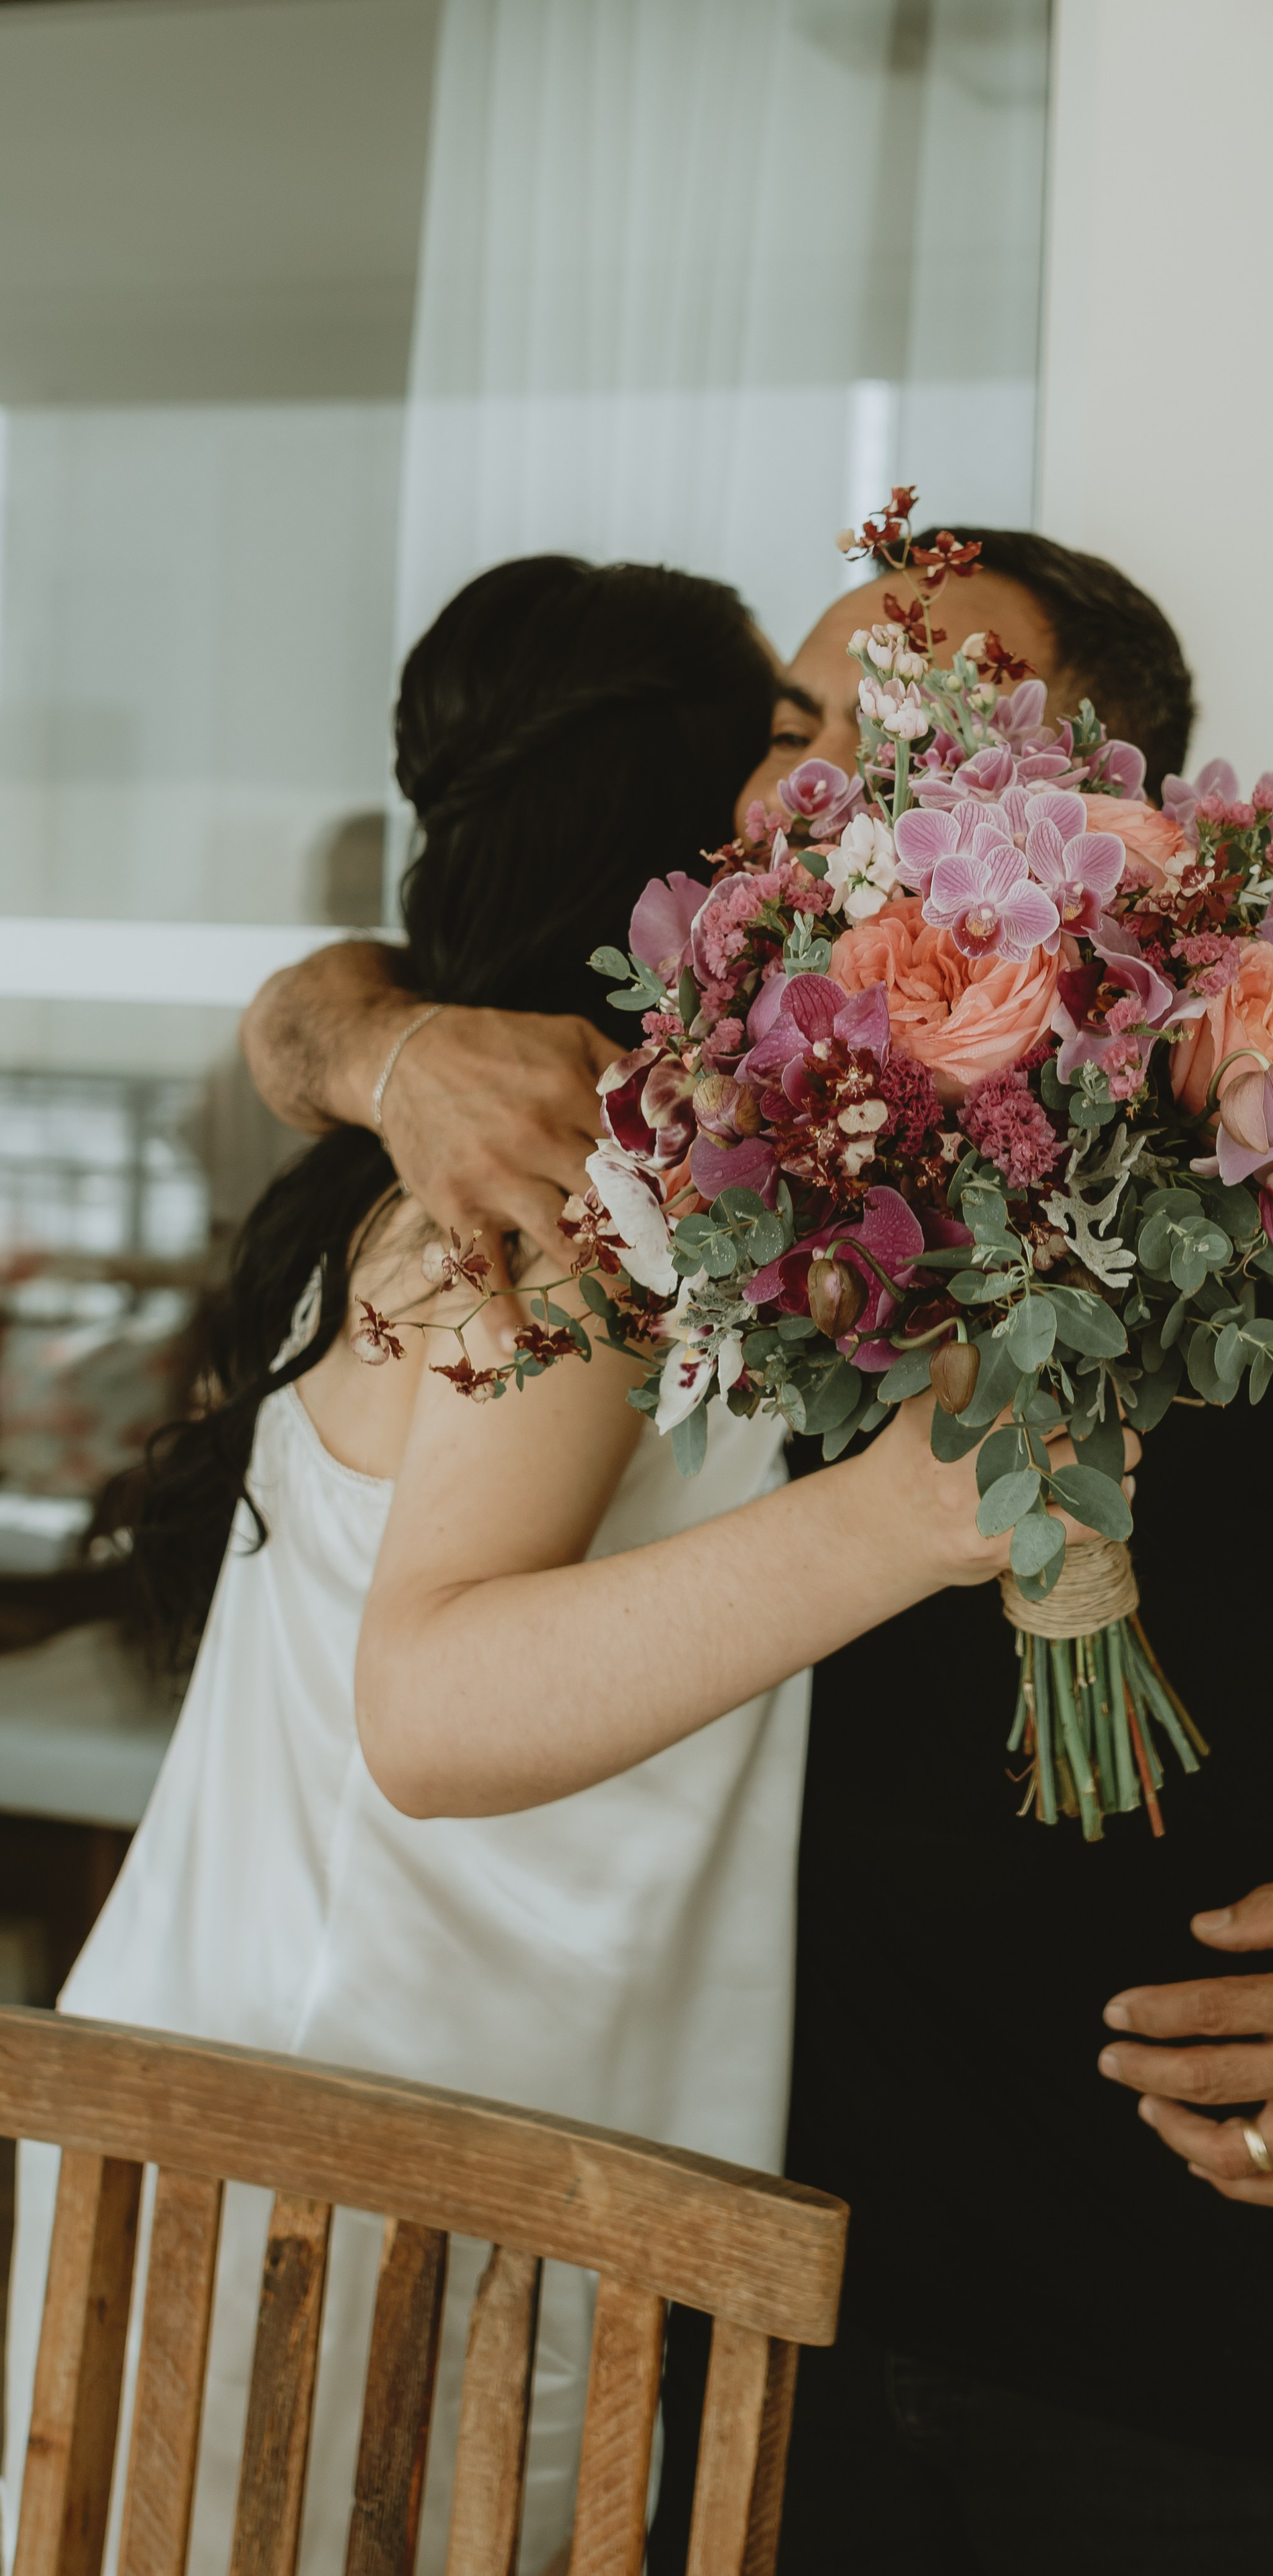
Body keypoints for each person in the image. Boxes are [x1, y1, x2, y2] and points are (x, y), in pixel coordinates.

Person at [236, 530, 1273, 2574]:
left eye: (907, 734)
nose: (812, 787)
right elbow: (340, 1006)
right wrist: (369, 1043)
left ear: (1104, 815)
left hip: (1195, 2371)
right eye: (794, 729)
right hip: (746, 2335)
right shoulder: (710, 1146)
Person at [1, 553, 1112, 2576]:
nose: (815, 791)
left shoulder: (661, 1150)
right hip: (360, 2189)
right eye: (783, 735)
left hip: (378, 2153)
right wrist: (911, 1516)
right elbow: (428, 1711)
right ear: (673, 819)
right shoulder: (572, 1193)